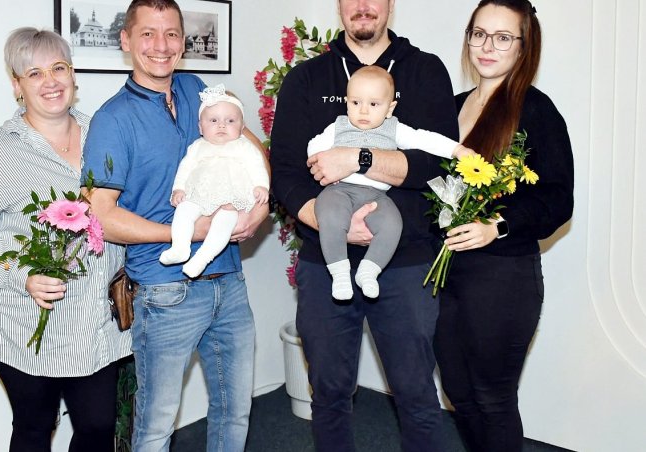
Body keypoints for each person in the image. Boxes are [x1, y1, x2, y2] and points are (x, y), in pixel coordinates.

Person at [79, 1, 267, 450]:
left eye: (171, 34)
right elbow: (101, 215)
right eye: (148, 33)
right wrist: (187, 233)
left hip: (229, 281)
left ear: (183, 42)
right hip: (165, 292)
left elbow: (251, 145)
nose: (161, 46)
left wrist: (260, 208)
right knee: (156, 427)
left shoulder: (196, 89)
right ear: (126, 40)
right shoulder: (112, 119)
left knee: (235, 412)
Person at [270, 0, 458, 450]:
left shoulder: (426, 71)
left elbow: (440, 165)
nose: (363, 5)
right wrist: (328, 222)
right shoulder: (306, 79)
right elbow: (286, 172)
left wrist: (360, 158)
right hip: (325, 260)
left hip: (406, 261)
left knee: (416, 392)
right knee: (329, 393)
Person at [0, 27, 130, 452]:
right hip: (24, 325)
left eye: (59, 68)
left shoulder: (108, 136)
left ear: (73, 74)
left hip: (95, 321)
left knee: (98, 427)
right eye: (34, 73)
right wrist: (21, 273)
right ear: (17, 85)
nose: (50, 81)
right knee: (34, 427)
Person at [433, 2, 574, 451]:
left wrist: (498, 225)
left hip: (503, 276)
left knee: (492, 399)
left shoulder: (536, 110)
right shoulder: (450, 108)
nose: (487, 46)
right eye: (479, 34)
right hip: (446, 274)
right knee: (458, 393)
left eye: (502, 37)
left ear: (523, 47)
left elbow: (558, 199)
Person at [309, 65, 474, 300]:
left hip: (376, 196)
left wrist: (457, 150)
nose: (363, 110)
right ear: (346, 103)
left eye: (373, 104)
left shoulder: (394, 129)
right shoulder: (338, 126)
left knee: (392, 224)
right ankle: (340, 274)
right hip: (339, 191)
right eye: (355, 102)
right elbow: (314, 145)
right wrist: (318, 160)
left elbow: (424, 139)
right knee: (330, 217)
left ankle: (369, 271)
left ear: (390, 108)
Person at [160, 84, 270, 278]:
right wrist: (178, 189)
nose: (221, 125)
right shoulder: (197, 147)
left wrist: (262, 186)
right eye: (213, 120)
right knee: (183, 211)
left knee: (224, 224)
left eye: (230, 120)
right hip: (200, 194)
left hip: (231, 200)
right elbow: (185, 168)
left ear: (242, 127)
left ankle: (202, 258)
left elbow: (257, 166)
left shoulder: (243, 147)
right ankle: (180, 247)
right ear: (200, 127)